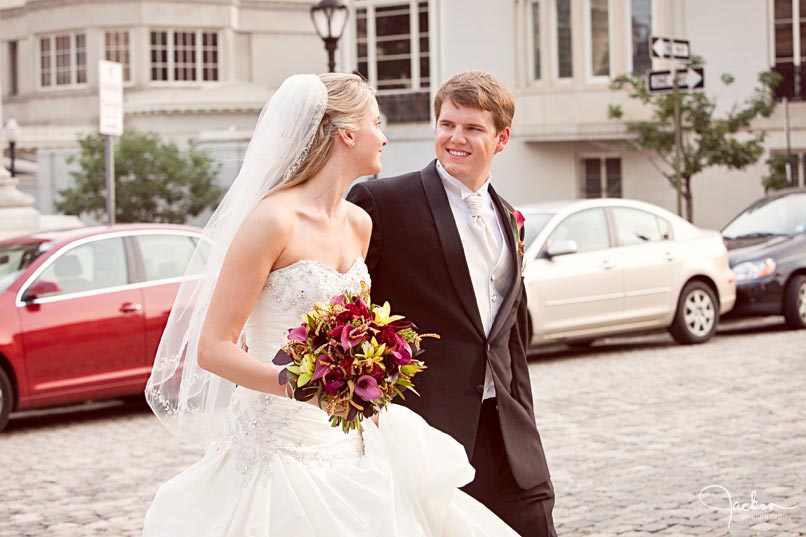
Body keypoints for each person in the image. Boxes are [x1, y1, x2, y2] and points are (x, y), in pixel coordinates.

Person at [142, 73, 520, 536]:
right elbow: (213, 348)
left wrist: (372, 370)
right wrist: (303, 385)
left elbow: (355, 327)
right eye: (375, 123)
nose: (384, 136)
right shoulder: (271, 221)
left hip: (353, 439)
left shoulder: (358, 224)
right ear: (347, 134)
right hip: (280, 441)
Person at [347, 71, 557, 537]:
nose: (455, 138)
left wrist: (525, 420)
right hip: (426, 438)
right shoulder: (381, 203)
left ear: (501, 138)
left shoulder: (510, 217)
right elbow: (350, 316)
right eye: (447, 125)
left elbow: (511, 336)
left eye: (472, 128)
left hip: (508, 438)